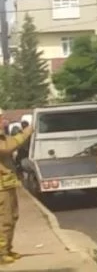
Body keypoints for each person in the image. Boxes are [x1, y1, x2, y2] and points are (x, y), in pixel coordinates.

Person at [0, 110, 32, 264]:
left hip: (7, 184)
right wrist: (26, 132)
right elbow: (8, 147)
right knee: (4, 220)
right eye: (0, 118)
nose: (3, 120)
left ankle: (7, 248)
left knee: (12, 217)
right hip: (1, 188)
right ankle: (1, 253)